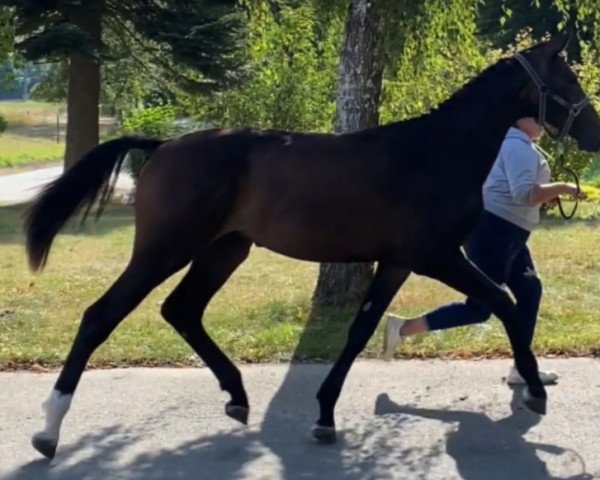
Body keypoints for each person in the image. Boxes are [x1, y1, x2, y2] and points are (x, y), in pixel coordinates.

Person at [382, 117, 584, 385]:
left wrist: (547, 193)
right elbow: (523, 194)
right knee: (480, 308)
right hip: (494, 233)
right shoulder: (516, 146)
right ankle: (402, 328)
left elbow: (518, 191)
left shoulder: (515, 144)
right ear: (520, 120)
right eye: (536, 118)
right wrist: (565, 187)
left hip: (507, 233)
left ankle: (522, 369)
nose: (543, 123)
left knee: (530, 290)